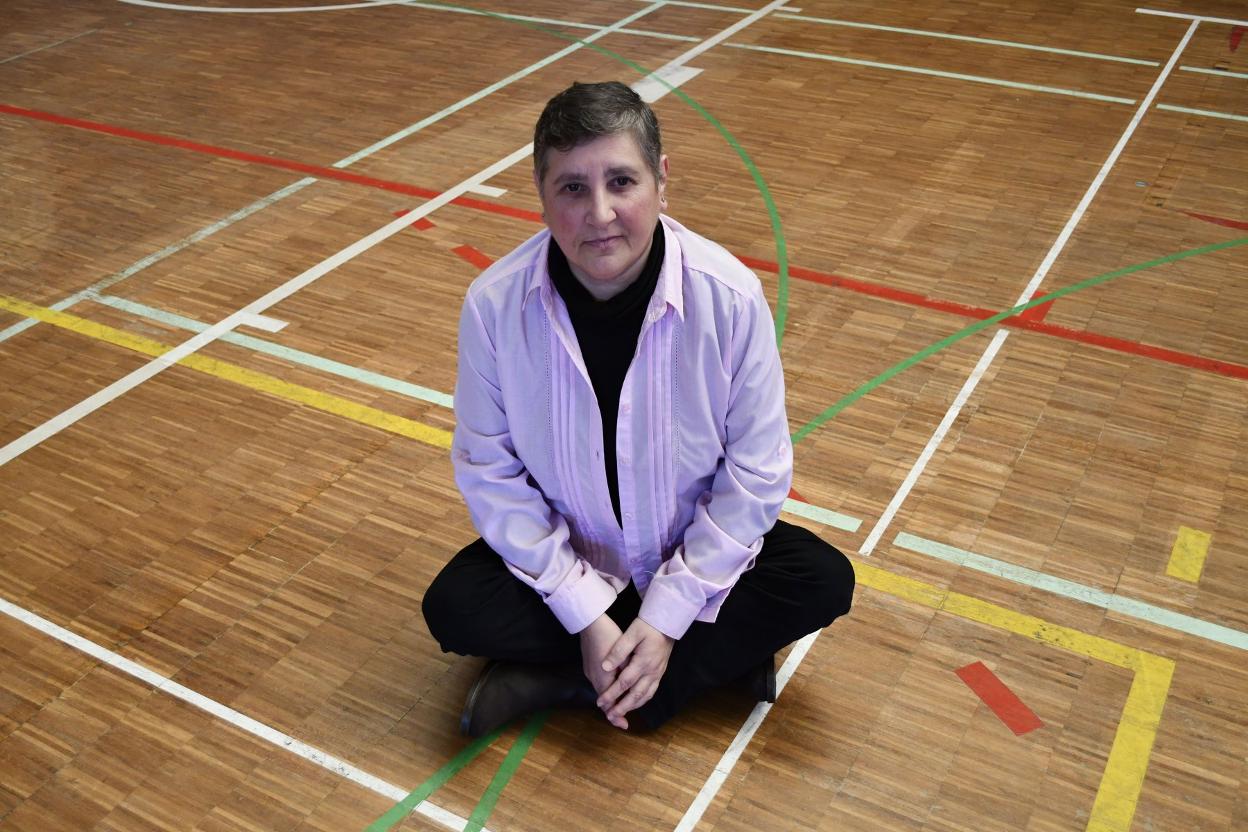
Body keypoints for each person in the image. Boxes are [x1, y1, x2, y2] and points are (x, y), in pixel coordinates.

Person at [423, 80, 854, 737]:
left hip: (686, 553)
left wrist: (665, 615)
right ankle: (689, 669)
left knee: (821, 579)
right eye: (572, 187)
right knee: (454, 607)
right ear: (541, 194)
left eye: (621, 182)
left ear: (661, 181)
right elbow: (490, 474)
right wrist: (585, 612)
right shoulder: (493, 306)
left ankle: (570, 680)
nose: (599, 213)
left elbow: (756, 474)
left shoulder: (730, 297)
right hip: (577, 554)